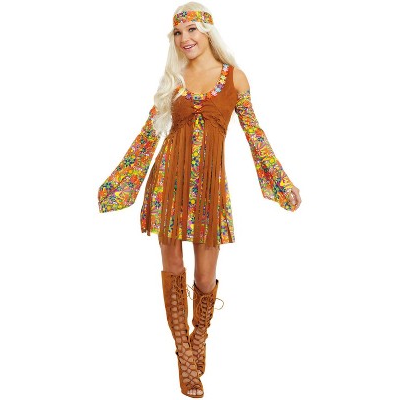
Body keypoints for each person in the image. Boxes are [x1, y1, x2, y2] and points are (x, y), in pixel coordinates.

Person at [98, 2, 302, 397]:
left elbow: (255, 136)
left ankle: (199, 337)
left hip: (209, 189)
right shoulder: (173, 79)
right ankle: (184, 356)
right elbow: (148, 135)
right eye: (178, 32)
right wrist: (118, 182)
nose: (184, 38)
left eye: (191, 29)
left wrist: (282, 182)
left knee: (205, 278)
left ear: (208, 32)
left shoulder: (235, 78)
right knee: (173, 267)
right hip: (168, 185)